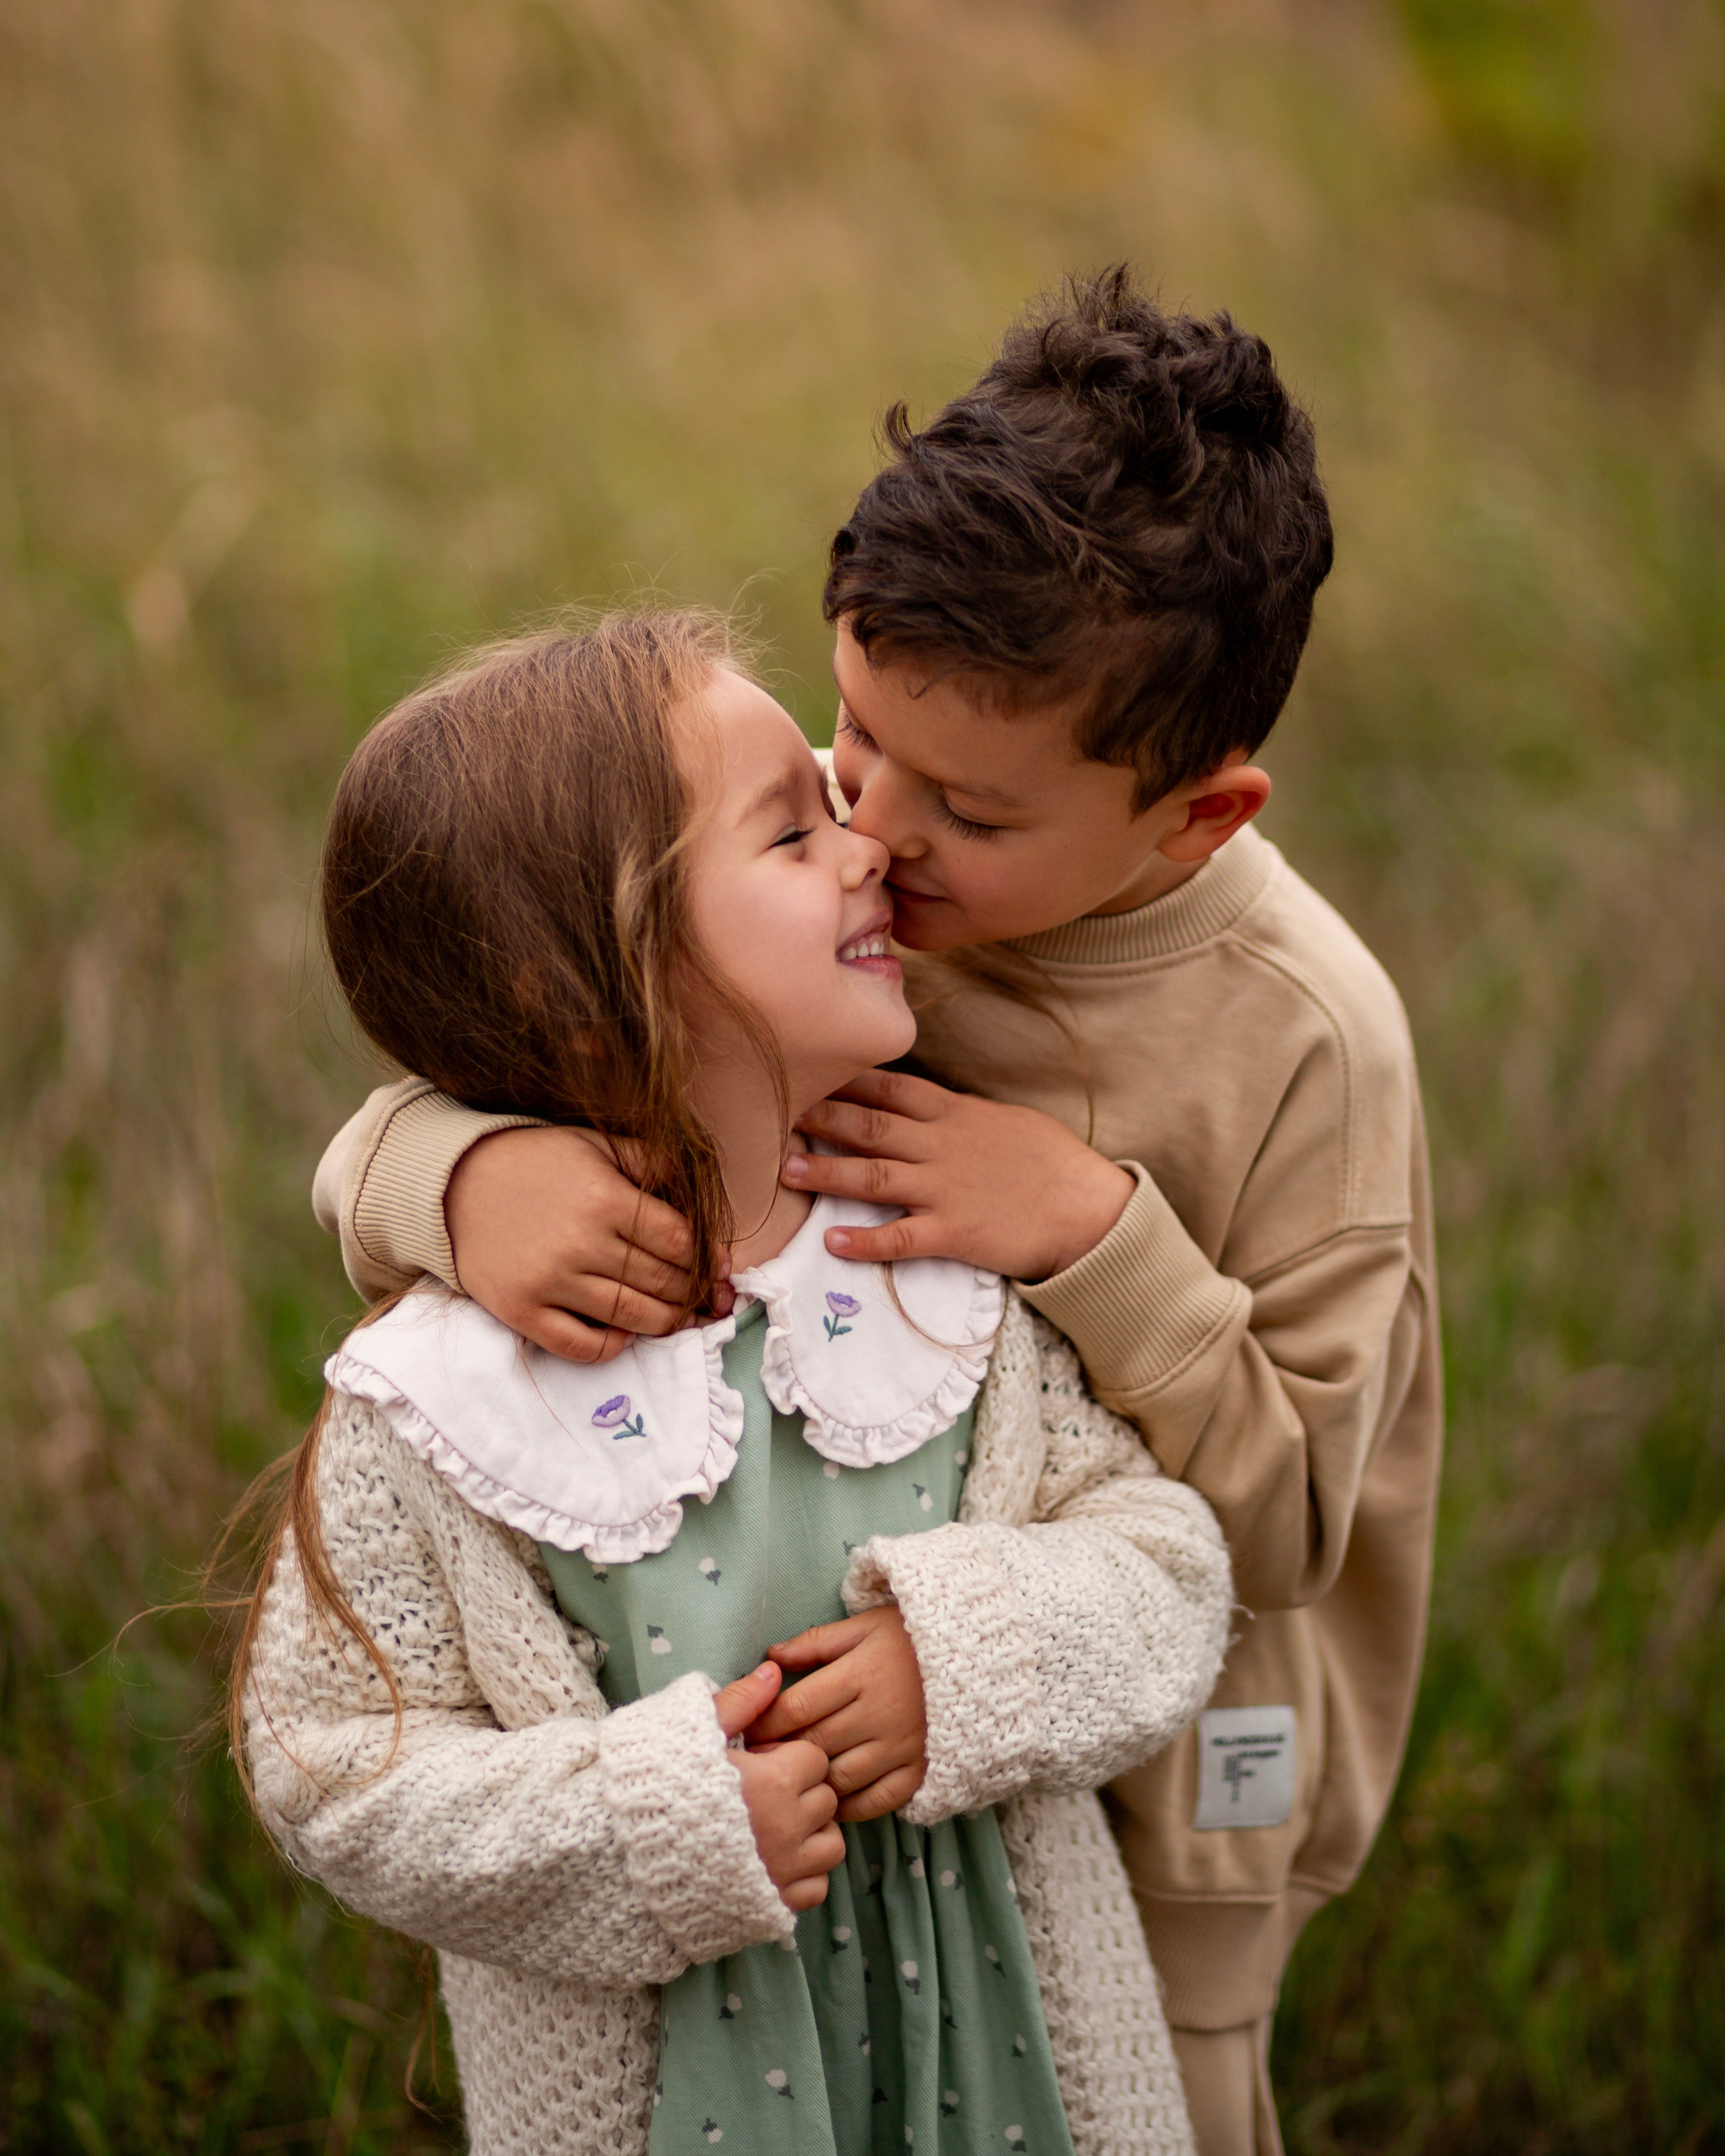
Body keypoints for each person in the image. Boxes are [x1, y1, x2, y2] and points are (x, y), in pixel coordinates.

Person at [314, 271, 1443, 2156]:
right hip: (814, 1788)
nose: (874, 832)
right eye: (852, 740)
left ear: (1199, 818)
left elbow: (1298, 1526)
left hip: (1167, 1813)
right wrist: (446, 1169)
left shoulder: (1308, 1046)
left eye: (968, 812)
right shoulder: (828, 895)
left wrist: (1097, 1236)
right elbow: (568, 1012)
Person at [241, 612, 1234, 2156]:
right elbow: (330, 1769)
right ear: (591, 983)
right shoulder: (437, 1398)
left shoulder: (935, 1251)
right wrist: (653, 1827)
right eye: (791, 831)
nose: (863, 855)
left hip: (1016, 2074)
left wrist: (958, 1661)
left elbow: (1168, 1565)